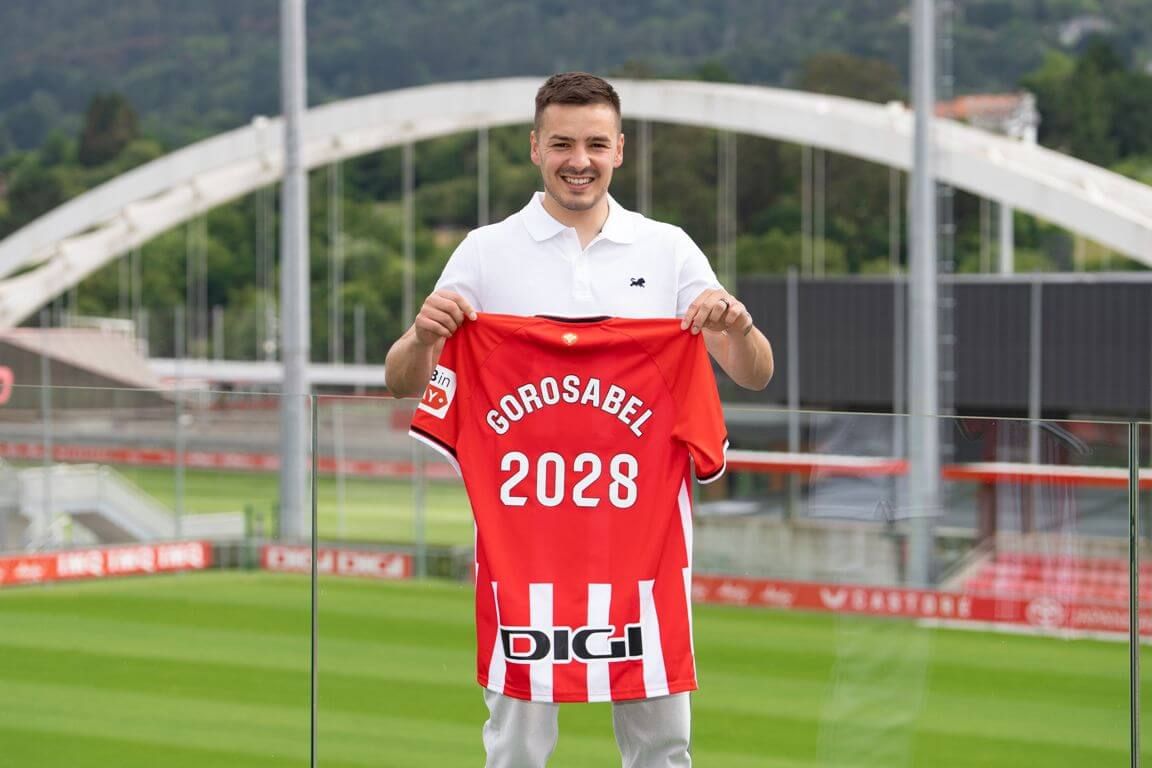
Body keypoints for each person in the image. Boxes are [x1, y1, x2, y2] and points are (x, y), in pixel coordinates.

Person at [385, 72, 774, 768]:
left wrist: (738, 328)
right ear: (535, 148)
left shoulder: (668, 249)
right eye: (562, 143)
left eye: (596, 143)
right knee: (517, 744)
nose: (579, 159)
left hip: (645, 552)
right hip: (521, 552)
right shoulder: (485, 250)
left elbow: (754, 372)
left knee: (662, 743)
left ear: (619, 150)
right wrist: (422, 338)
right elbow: (401, 382)